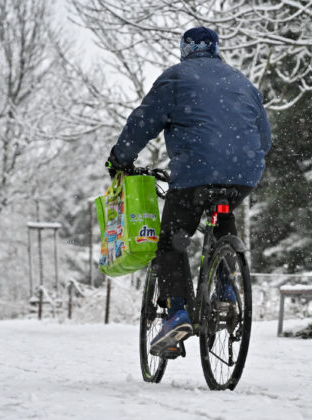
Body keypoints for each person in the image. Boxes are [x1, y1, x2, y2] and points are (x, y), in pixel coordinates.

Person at [106, 27, 272, 355]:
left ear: (185, 49)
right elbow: (264, 139)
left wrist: (120, 160)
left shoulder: (176, 78)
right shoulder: (241, 81)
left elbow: (143, 122)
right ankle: (226, 290)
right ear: (215, 49)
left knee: (171, 239)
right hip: (244, 173)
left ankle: (177, 310)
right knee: (222, 211)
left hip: (196, 173)